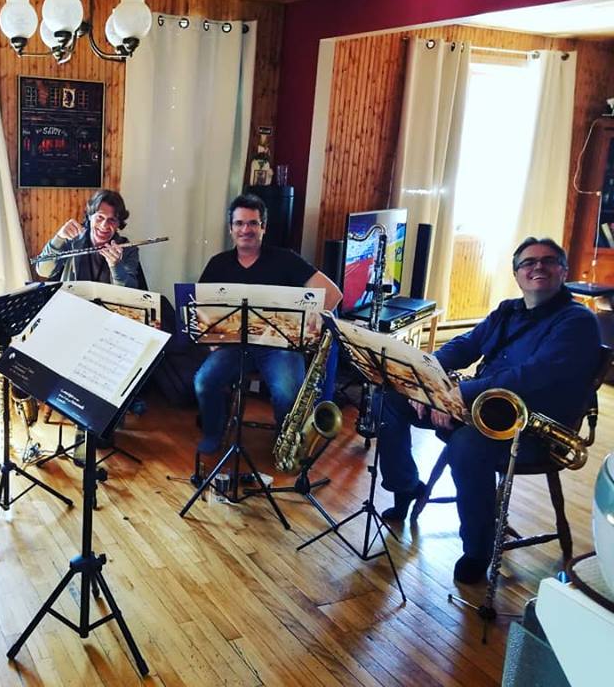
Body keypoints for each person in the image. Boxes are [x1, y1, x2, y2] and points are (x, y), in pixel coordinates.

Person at [377, 237, 601, 584]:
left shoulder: (577, 321)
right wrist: (425, 380)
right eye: (528, 262)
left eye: (548, 261)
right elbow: (465, 345)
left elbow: (531, 375)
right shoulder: (508, 310)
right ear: (517, 274)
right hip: (482, 408)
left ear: (563, 271)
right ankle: (405, 484)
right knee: (389, 399)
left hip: (531, 428)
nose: (537, 267)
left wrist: (459, 395)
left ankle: (477, 550)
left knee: (467, 445)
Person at [193, 193, 343, 455]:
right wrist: (210, 340)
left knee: (288, 392)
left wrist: (316, 318)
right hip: (234, 346)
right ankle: (213, 432)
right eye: (239, 223)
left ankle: (284, 442)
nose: (246, 230)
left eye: (253, 223)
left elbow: (333, 293)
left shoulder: (285, 259)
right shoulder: (218, 264)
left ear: (263, 227)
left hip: (279, 347)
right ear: (231, 229)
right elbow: (201, 308)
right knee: (203, 382)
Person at [34, 189, 142, 288]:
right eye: (100, 217)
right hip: (71, 300)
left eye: (112, 220)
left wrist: (116, 267)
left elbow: (130, 291)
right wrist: (58, 238)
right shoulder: (72, 238)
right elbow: (43, 271)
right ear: (90, 216)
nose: (104, 225)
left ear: (119, 224)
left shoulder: (128, 249)